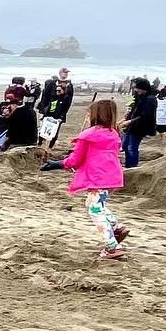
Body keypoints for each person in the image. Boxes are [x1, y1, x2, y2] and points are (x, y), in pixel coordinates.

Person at [42, 99, 127, 260]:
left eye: (89, 113)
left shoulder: (89, 135)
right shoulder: (113, 133)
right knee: (94, 204)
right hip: (112, 176)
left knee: (95, 209)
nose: (87, 116)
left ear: (96, 115)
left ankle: (112, 247)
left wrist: (58, 164)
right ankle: (117, 227)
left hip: (99, 177)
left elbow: (76, 160)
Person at [121, 77, 157, 169]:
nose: (136, 90)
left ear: (143, 88)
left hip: (139, 127)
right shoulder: (139, 96)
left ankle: (132, 166)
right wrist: (127, 117)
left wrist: (130, 121)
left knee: (132, 148)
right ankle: (128, 164)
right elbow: (134, 110)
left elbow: (145, 116)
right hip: (131, 126)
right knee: (125, 146)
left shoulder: (150, 99)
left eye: (138, 88)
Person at [37, 67, 75, 148]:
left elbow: (68, 101)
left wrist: (62, 115)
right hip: (49, 109)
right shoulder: (52, 83)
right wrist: (43, 109)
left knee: (55, 130)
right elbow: (45, 97)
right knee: (44, 129)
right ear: (60, 73)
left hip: (60, 110)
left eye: (66, 73)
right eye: (64, 72)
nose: (65, 74)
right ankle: (40, 145)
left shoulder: (69, 85)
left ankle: (50, 147)